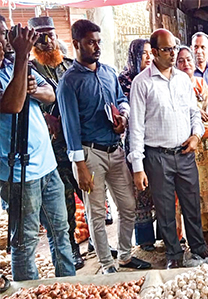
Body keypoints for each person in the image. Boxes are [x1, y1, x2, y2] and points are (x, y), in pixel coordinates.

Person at [58, 19, 151, 274]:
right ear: (76, 44)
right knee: (97, 212)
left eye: (98, 42)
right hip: (89, 154)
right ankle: (106, 264)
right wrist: (80, 166)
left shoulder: (109, 72)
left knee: (129, 205)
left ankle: (123, 255)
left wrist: (122, 116)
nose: (96, 47)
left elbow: (121, 99)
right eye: (90, 42)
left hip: (115, 149)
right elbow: (70, 127)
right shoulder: (69, 82)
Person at [129, 29, 208, 269]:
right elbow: (136, 127)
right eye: (166, 49)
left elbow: (194, 114)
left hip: (185, 153)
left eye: (174, 48)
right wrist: (138, 167)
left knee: (192, 205)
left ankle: (199, 252)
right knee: (166, 209)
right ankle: (174, 255)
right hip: (157, 156)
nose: (172, 53)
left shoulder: (182, 79)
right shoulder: (142, 83)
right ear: (154, 52)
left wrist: (196, 136)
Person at [0, 19, 75, 281]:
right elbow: (11, 104)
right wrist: (22, 56)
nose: (3, 41)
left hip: (47, 163)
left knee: (60, 231)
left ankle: (68, 285)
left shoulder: (14, 65)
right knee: (25, 241)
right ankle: (29, 291)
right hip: (20, 172)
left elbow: (50, 93)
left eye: (3, 34)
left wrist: (32, 89)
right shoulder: (19, 61)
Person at [27, 16, 83, 270]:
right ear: (32, 38)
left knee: (90, 193)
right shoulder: (28, 69)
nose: (48, 41)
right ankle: (72, 247)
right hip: (52, 147)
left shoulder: (69, 65)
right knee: (65, 198)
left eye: (50, 34)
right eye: (41, 36)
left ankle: (96, 240)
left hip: (78, 140)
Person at [176, 45, 208, 247]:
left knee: (207, 188)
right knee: (188, 191)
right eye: (181, 60)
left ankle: (204, 231)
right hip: (188, 145)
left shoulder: (201, 83)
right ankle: (182, 234)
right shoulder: (175, 86)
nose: (186, 64)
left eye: (189, 60)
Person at [118, 38, 156, 252]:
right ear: (134, 56)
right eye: (144, 53)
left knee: (157, 189)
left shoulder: (154, 78)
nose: (149, 57)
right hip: (134, 141)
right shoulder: (124, 80)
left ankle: (163, 235)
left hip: (155, 140)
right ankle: (144, 238)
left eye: (151, 52)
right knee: (139, 191)